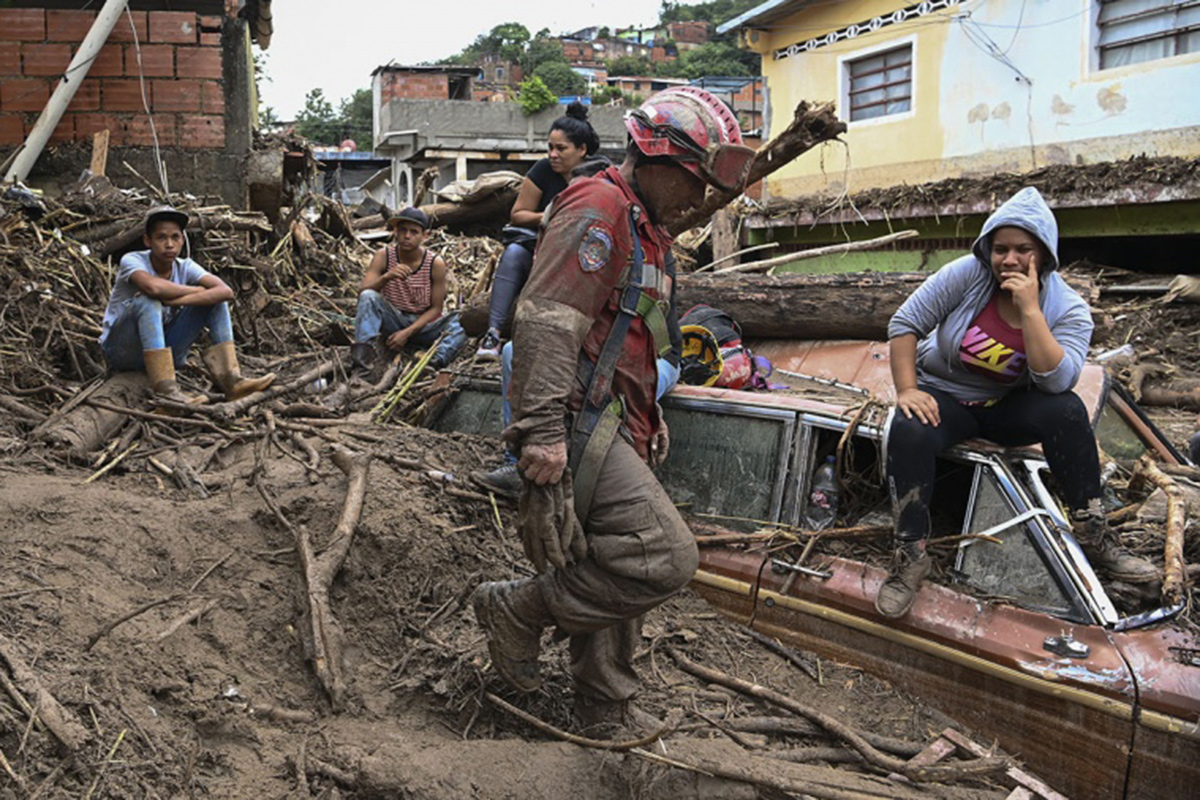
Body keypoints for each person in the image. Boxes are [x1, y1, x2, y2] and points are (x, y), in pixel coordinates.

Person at [471, 87, 754, 732]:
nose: (698, 199)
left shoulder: (645, 227)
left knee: (607, 557)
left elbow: (636, 336)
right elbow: (545, 322)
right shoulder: (599, 208)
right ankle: (518, 609)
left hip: (615, 423)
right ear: (656, 158)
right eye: (694, 181)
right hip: (577, 420)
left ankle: (604, 710)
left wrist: (650, 418)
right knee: (664, 554)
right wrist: (541, 435)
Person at [875, 187, 1159, 620]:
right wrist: (908, 390)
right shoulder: (965, 275)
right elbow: (905, 324)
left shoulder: (1068, 309)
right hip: (945, 399)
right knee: (909, 425)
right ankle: (911, 553)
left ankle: (1094, 535)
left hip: (1006, 407)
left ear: (1043, 253)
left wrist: (1030, 311)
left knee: (1066, 409)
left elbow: (1057, 381)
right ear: (987, 249)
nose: (1009, 259)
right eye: (1000, 248)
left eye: (1023, 249)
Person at [470, 255, 682, 499]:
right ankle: (516, 463)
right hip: (590, 349)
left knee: (616, 392)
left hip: (653, 358)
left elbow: (641, 326)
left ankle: (610, 482)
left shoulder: (654, 251)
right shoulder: (584, 243)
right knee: (512, 352)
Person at [99, 206, 275, 404]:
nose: (169, 244)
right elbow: (153, 288)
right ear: (147, 241)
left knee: (216, 302)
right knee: (148, 300)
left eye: (175, 237)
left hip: (164, 351)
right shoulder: (132, 260)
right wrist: (198, 292)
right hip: (123, 351)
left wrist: (174, 298)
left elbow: (226, 292)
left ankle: (232, 382)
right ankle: (167, 395)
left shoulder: (186, 266)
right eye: (161, 238)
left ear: (182, 240)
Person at [474, 102, 602, 360]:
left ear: (582, 150)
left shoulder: (600, 175)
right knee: (513, 254)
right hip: (542, 251)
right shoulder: (543, 170)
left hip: (583, 256)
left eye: (561, 148)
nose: (553, 154)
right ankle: (494, 333)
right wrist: (551, 216)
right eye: (550, 147)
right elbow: (518, 214)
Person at [350, 206, 466, 378]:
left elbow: (436, 309)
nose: (407, 236)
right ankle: (363, 365)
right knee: (369, 297)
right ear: (395, 231)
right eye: (403, 230)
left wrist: (407, 332)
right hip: (393, 320)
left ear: (425, 236)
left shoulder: (435, 263)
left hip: (424, 325)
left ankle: (435, 361)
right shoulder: (384, 256)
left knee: (462, 319)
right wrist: (386, 278)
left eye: (414, 232)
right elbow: (362, 293)